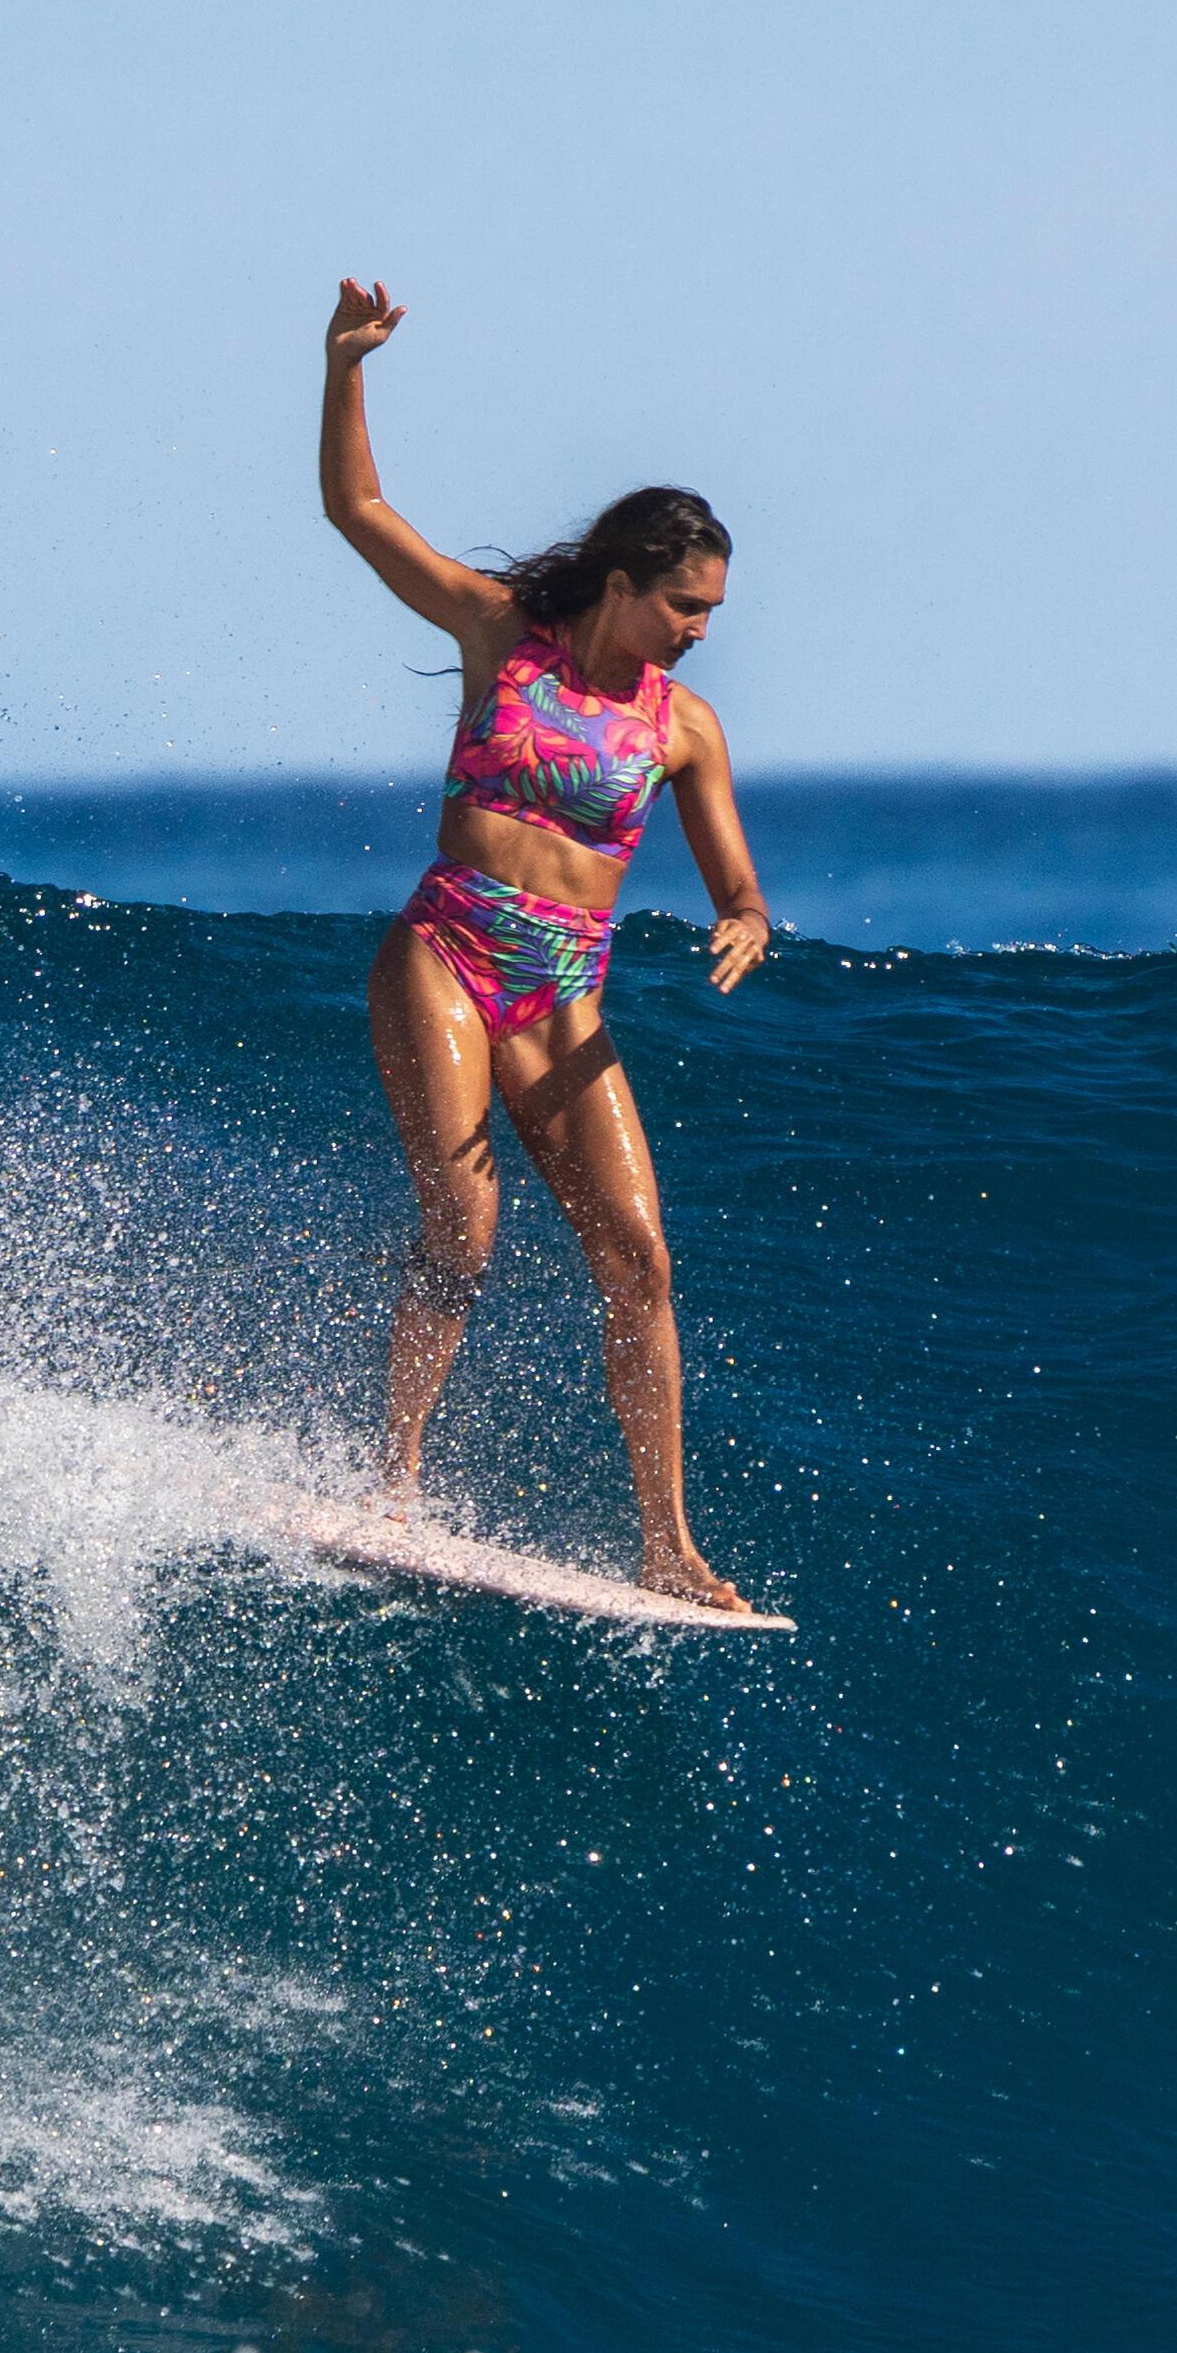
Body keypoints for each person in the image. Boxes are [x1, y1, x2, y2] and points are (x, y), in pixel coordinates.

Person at [316, 275, 776, 1615]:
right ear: (624, 581)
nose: (697, 632)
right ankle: (393, 1476)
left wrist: (743, 918)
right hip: (448, 949)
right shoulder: (499, 636)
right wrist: (345, 364)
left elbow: (736, 878)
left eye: (710, 614)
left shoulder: (681, 728)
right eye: (684, 606)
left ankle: (664, 1544)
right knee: (463, 1213)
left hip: (562, 994)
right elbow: (359, 513)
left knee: (640, 1259)